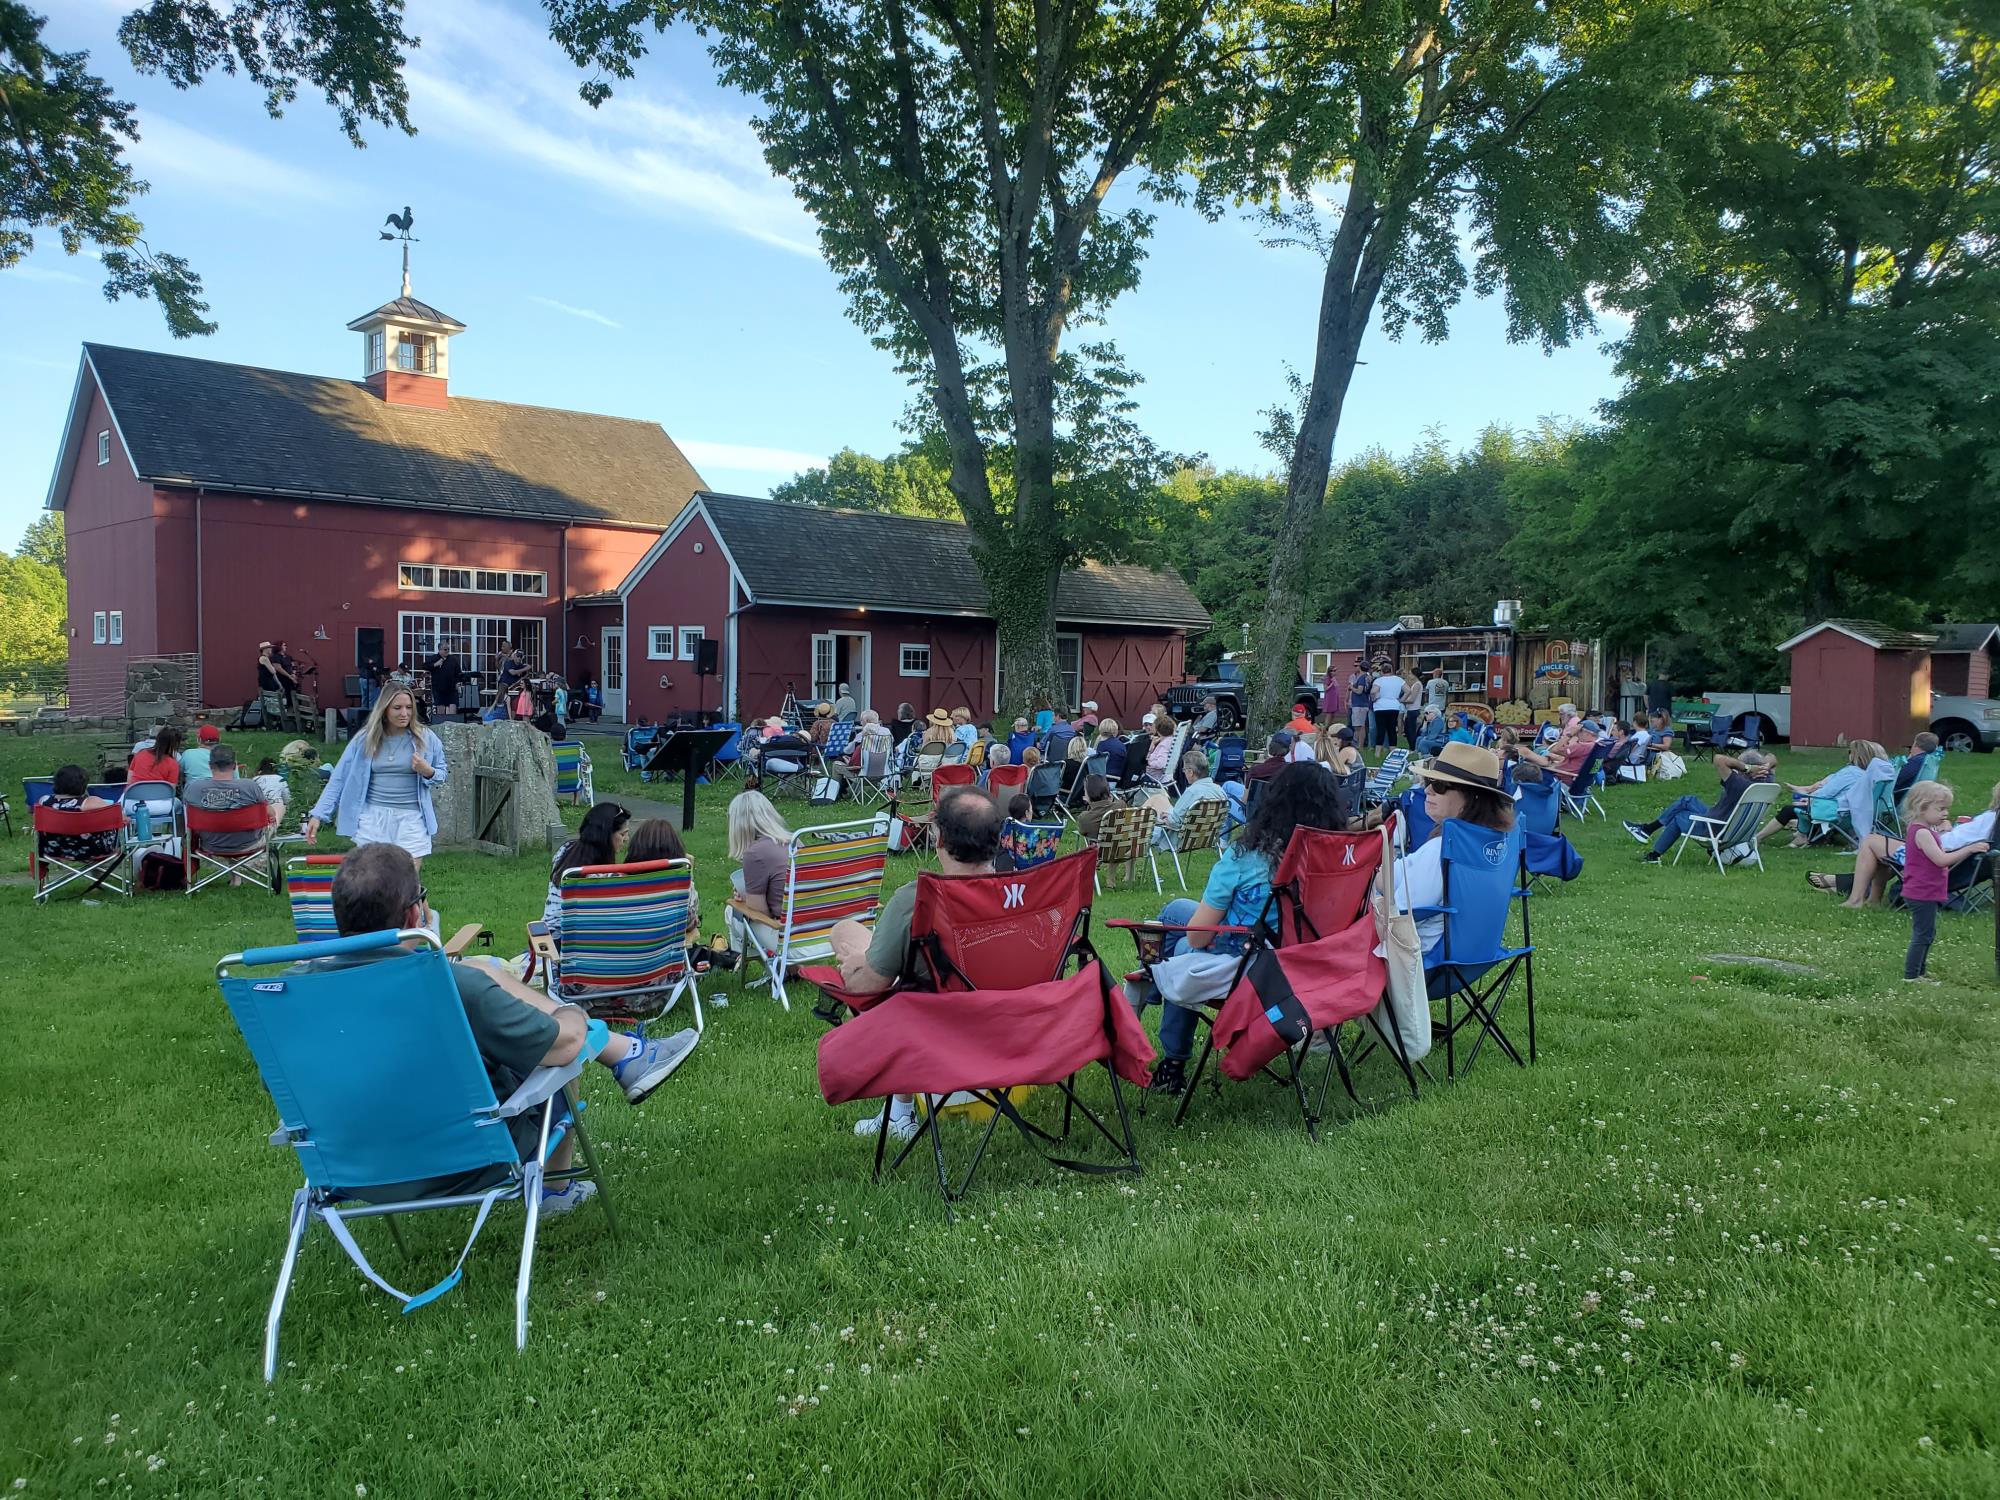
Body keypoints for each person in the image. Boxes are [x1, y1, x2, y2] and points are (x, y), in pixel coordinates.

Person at [318, 844, 694, 1212]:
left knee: (484, 976)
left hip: (353, 1166)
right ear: (414, 914)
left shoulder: (291, 996)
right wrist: (571, 1014)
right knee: (562, 1049)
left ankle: (628, 1055)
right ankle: (555, 1190)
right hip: (469, 1160)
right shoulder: (452, 988)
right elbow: (566, 1045)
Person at [1126, 761, 1349, 1096]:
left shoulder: (1246, 858)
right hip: (1307, 960)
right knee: (1175, 910)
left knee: (1176, 951)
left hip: (1246, 963)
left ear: (1274, 802)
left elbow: (1199, 936)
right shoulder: (1337, 859)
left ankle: (1171, 1053)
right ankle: (1152, 979)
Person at [828, 787, 1003, 1139]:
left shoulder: (917, 899)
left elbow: (867, 988)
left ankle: (898, 1114)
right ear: (995, 842)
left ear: (939, 840)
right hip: (1009, 1022)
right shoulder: (1025, 895)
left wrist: (857, 965)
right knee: (859, 941)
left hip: (939, 1026)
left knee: (845, 934)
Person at [1388, 742, 1517, 958]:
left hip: (1420, 960)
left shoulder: (1444, 849)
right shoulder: (1495, 845)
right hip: (1475, 955)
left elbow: (1402, 913)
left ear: (1472, 796)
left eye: (1440, 785)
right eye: (1429, 781)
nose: (1427, 790)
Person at [305, 684, 447, 865]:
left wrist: (428, 771)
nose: (404, 713)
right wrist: (318, 815)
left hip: (412, 818)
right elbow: (339, 777)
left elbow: (442, 773)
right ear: (384, 709)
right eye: (397, 708)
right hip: (374, 817)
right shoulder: (366, 738)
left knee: (407, 881)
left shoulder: (426, 738)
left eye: (409, 707)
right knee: (373, 880)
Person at [1809, 777, 1998, 906]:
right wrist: (1947, 826)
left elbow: (1953, 846)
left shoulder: (1993, 817)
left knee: (1871, 842)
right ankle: (1868, 897)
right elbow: (1965, 836)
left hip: (1930, 855)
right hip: (1938, 849)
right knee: (1882, 847)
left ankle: (1856, 899)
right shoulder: (1993, 820)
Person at [1897, 782, 1989, 983]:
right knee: (1923, 934)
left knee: (1927, 933)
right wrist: (1969, 848)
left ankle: (1920, 972)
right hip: (1921, 892)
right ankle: (1912, 975)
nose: (1945, 813)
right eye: (1940, 809)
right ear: (1922, 807)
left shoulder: (1924, 829)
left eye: (1946, 808)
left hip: (1926, 890)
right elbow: (1941, 859)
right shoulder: (1921, 832)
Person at [1622, 749, 1774, 863]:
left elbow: (1719, 759)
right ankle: (1647, 830)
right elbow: (1772, 757)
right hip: (1733, 829)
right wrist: (1765, 766)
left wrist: (1746, 767)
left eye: (1739, 768)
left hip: (1714, 830)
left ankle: (1653, 856)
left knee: (1678, 817)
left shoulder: (1739, 784)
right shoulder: (1768, 782)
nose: (1736, 770)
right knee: (1687, 800)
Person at [1760, 739, 1889, 848]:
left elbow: (1826, 793)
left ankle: (1758, 837)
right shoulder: (1867, 775)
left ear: (1855, 755)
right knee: (1804, 805)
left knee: (1788, 810)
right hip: (1854, 814)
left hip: (1837, 813)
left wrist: (1808, 797)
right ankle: (1807, 836)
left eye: (1850, 752)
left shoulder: (1850, 773)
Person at [182, 745, 273, 879]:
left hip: (211, 844)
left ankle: (235, 877)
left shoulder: (194, 788)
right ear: (235, 765)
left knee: (224, 824)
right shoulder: (250, 786)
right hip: (248, 844)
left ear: (210, 765)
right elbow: (270, 814)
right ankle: (245, 871)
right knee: (275, 810)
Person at [546, 801, 632, 941]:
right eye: (623, 834)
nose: (626, 839)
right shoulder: (610, 876)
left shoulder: (564, 852)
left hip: (555, 945)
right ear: (606, 836)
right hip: (598, 949)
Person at [726, 790, 794, 957]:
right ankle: (790, 971)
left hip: (786, 937)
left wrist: (746, 899)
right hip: (817, 932)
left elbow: (760, 914)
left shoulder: (755, 853)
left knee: (732, 911)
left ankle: (747, 962)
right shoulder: (796, 841)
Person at [34, 764, 120, 866]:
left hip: (53, 850)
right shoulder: (91, 803)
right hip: (93, 851)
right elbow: (119, 816)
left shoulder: (44, 801)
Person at [127, 725, 183, 790]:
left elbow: (129, 779)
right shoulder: (173, 763)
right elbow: (171, 789)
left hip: (133, 796)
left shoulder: (140, 753)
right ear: (175, 744)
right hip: (159, 797)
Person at [1073, 773, 1119, 843]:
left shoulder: (1085, 818)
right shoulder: (1121, 805)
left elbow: (1082, 831)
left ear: (1089, 794)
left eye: (1085, 791)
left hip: (1099, 852)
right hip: (1123, 851)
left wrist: (1089, 804)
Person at [1370, 662, 1406, 751]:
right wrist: (1401, 700)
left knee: (1381, 729)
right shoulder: (1398, 680)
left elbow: (1373, 691)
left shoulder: (1379, 680)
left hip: (1380, 707)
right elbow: (1408, 690)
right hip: (1394, 706)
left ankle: (1377, 751)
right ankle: (1392, 750)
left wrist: (1374, 698)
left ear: (1382, 671)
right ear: (1391, 670)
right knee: (1392, 729)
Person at [426, 648, 463, 721]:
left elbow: (458, 673)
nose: (447, 651)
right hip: (439, 688)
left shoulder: (453, 659)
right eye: (445, 649)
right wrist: (436, 664)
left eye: (448, 649)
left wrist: (458, 682)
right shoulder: (434, 658)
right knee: (440, 709)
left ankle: (452, 724)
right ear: (440, 650)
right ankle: (441, 724)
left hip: (451, 688)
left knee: (452, 706)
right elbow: (425, 666)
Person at [252, 757, 290, 827]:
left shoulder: (255, 779)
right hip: (276, 806)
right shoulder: (280, 779)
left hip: (261, 808)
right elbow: (287, 798)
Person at [1144, 713, 1178, 781]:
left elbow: (1160, 764)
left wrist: (1148, 762)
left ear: (1158, 729)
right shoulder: (1171, 739)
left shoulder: (1164, 744)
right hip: (1166, 776)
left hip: (1155, 777)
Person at [1347, 663, 1373, 737]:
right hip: (1364, 703)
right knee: (1361, 725)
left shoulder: (1362, 678)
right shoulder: (1367, 677)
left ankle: (1358, 744)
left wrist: (1351, 687)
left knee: (1358, 727)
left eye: (1357, 666)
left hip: (1359, 704)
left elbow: (1359, 691)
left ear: (1360, 668)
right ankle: (1360, 744)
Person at [1400, 670, 1423, 750]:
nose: (1409, 675)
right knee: (1407, 730)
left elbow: (1412, 699)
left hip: (1414, 709)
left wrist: (1401, 701)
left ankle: (1413, 748)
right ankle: (1412, 747)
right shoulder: (1414, 684)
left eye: (1410, 674)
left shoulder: (1417, 685)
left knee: (1411, 730)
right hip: (1410, 710)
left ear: (1414, 675)